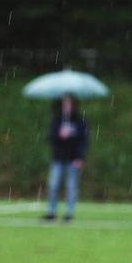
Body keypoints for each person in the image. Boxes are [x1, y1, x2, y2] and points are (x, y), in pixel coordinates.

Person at [43, 94, 87, 222]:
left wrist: (80, 156)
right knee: (53, 184)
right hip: (58, 158)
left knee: (71, 186)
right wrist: (60, 135)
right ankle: (51, 211)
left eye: (69, 103)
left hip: (73, 158)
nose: (67, 106)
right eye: (65, 103)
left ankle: (69, 213)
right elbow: (50, 138)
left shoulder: (80, 120)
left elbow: (84, 140)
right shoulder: (57, 119)